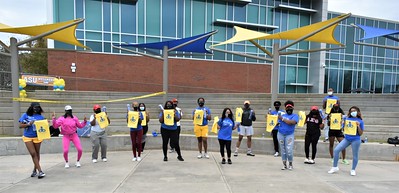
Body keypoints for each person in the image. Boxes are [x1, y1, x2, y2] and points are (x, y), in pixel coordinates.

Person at [328, 106, 364, 176]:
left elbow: (360, 133)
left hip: (355, 139)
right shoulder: (347, 118)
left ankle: (353, 169)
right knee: (336, 150)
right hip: (347, 138)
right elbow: (343, 128)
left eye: (354, 111)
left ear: (357, 112)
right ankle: (335, 167)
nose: (353, 112)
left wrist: (358, 126)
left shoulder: (360, 121)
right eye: (351, 111)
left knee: (355, 155)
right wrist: (342, 122)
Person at [19, 102, 46, 179]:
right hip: (28, 137)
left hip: (37, 137)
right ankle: (40, 171)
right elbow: (20, 125)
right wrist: (28, 124)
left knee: (37, 154)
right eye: (35, 107)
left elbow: (43, 127)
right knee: (33, 153)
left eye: (38, 107)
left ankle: (35, 170)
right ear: (31, 107)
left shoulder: (40, 117)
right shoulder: (26, 115)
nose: (36, 109)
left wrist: (46, 123)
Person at [277, 100, 299, 170]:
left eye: (290, 108)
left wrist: (282, 119)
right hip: (281, 134)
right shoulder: (282, 115)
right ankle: (284, 164)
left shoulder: (295, 116)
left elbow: (292, 122)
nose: (289, 109)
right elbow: (277, 123)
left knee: (289, 150)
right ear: (285, 109)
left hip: (289, 135)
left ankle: (290, 163)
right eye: (287, 108)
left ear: (293, 108)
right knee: (283, 150)